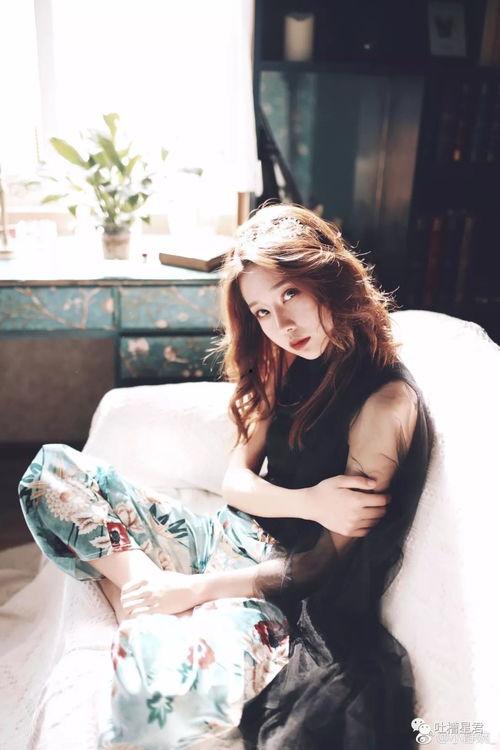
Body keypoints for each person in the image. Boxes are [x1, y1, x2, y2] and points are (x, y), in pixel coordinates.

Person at [18, 202, 433, 749]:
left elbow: (317, 568)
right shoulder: (285, 359)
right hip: (218, 532)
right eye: (262, 311)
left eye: (290, 293)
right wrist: (309, 501)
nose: (281, 324)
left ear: (327, 275)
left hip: (268, 586)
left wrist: (193, 590)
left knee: (152, 707)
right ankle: (142, 592)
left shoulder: (384, 406)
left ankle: (155, 607)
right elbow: (235, 481)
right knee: (50, 471)